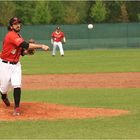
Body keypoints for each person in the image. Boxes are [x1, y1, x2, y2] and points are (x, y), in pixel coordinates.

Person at [0, 16, 50, 116]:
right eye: (15, 24)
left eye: (19, 23)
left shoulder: (19, 36)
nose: (18, 25)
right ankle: (4, 95)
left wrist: (28, 52)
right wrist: (41, 46)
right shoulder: (11, 35)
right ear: (11, 26)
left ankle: (17, 108)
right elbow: (26, 45)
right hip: (4, 65)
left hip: (16, 65)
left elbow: (22, 51)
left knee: (17, 84)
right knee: (4, 88)